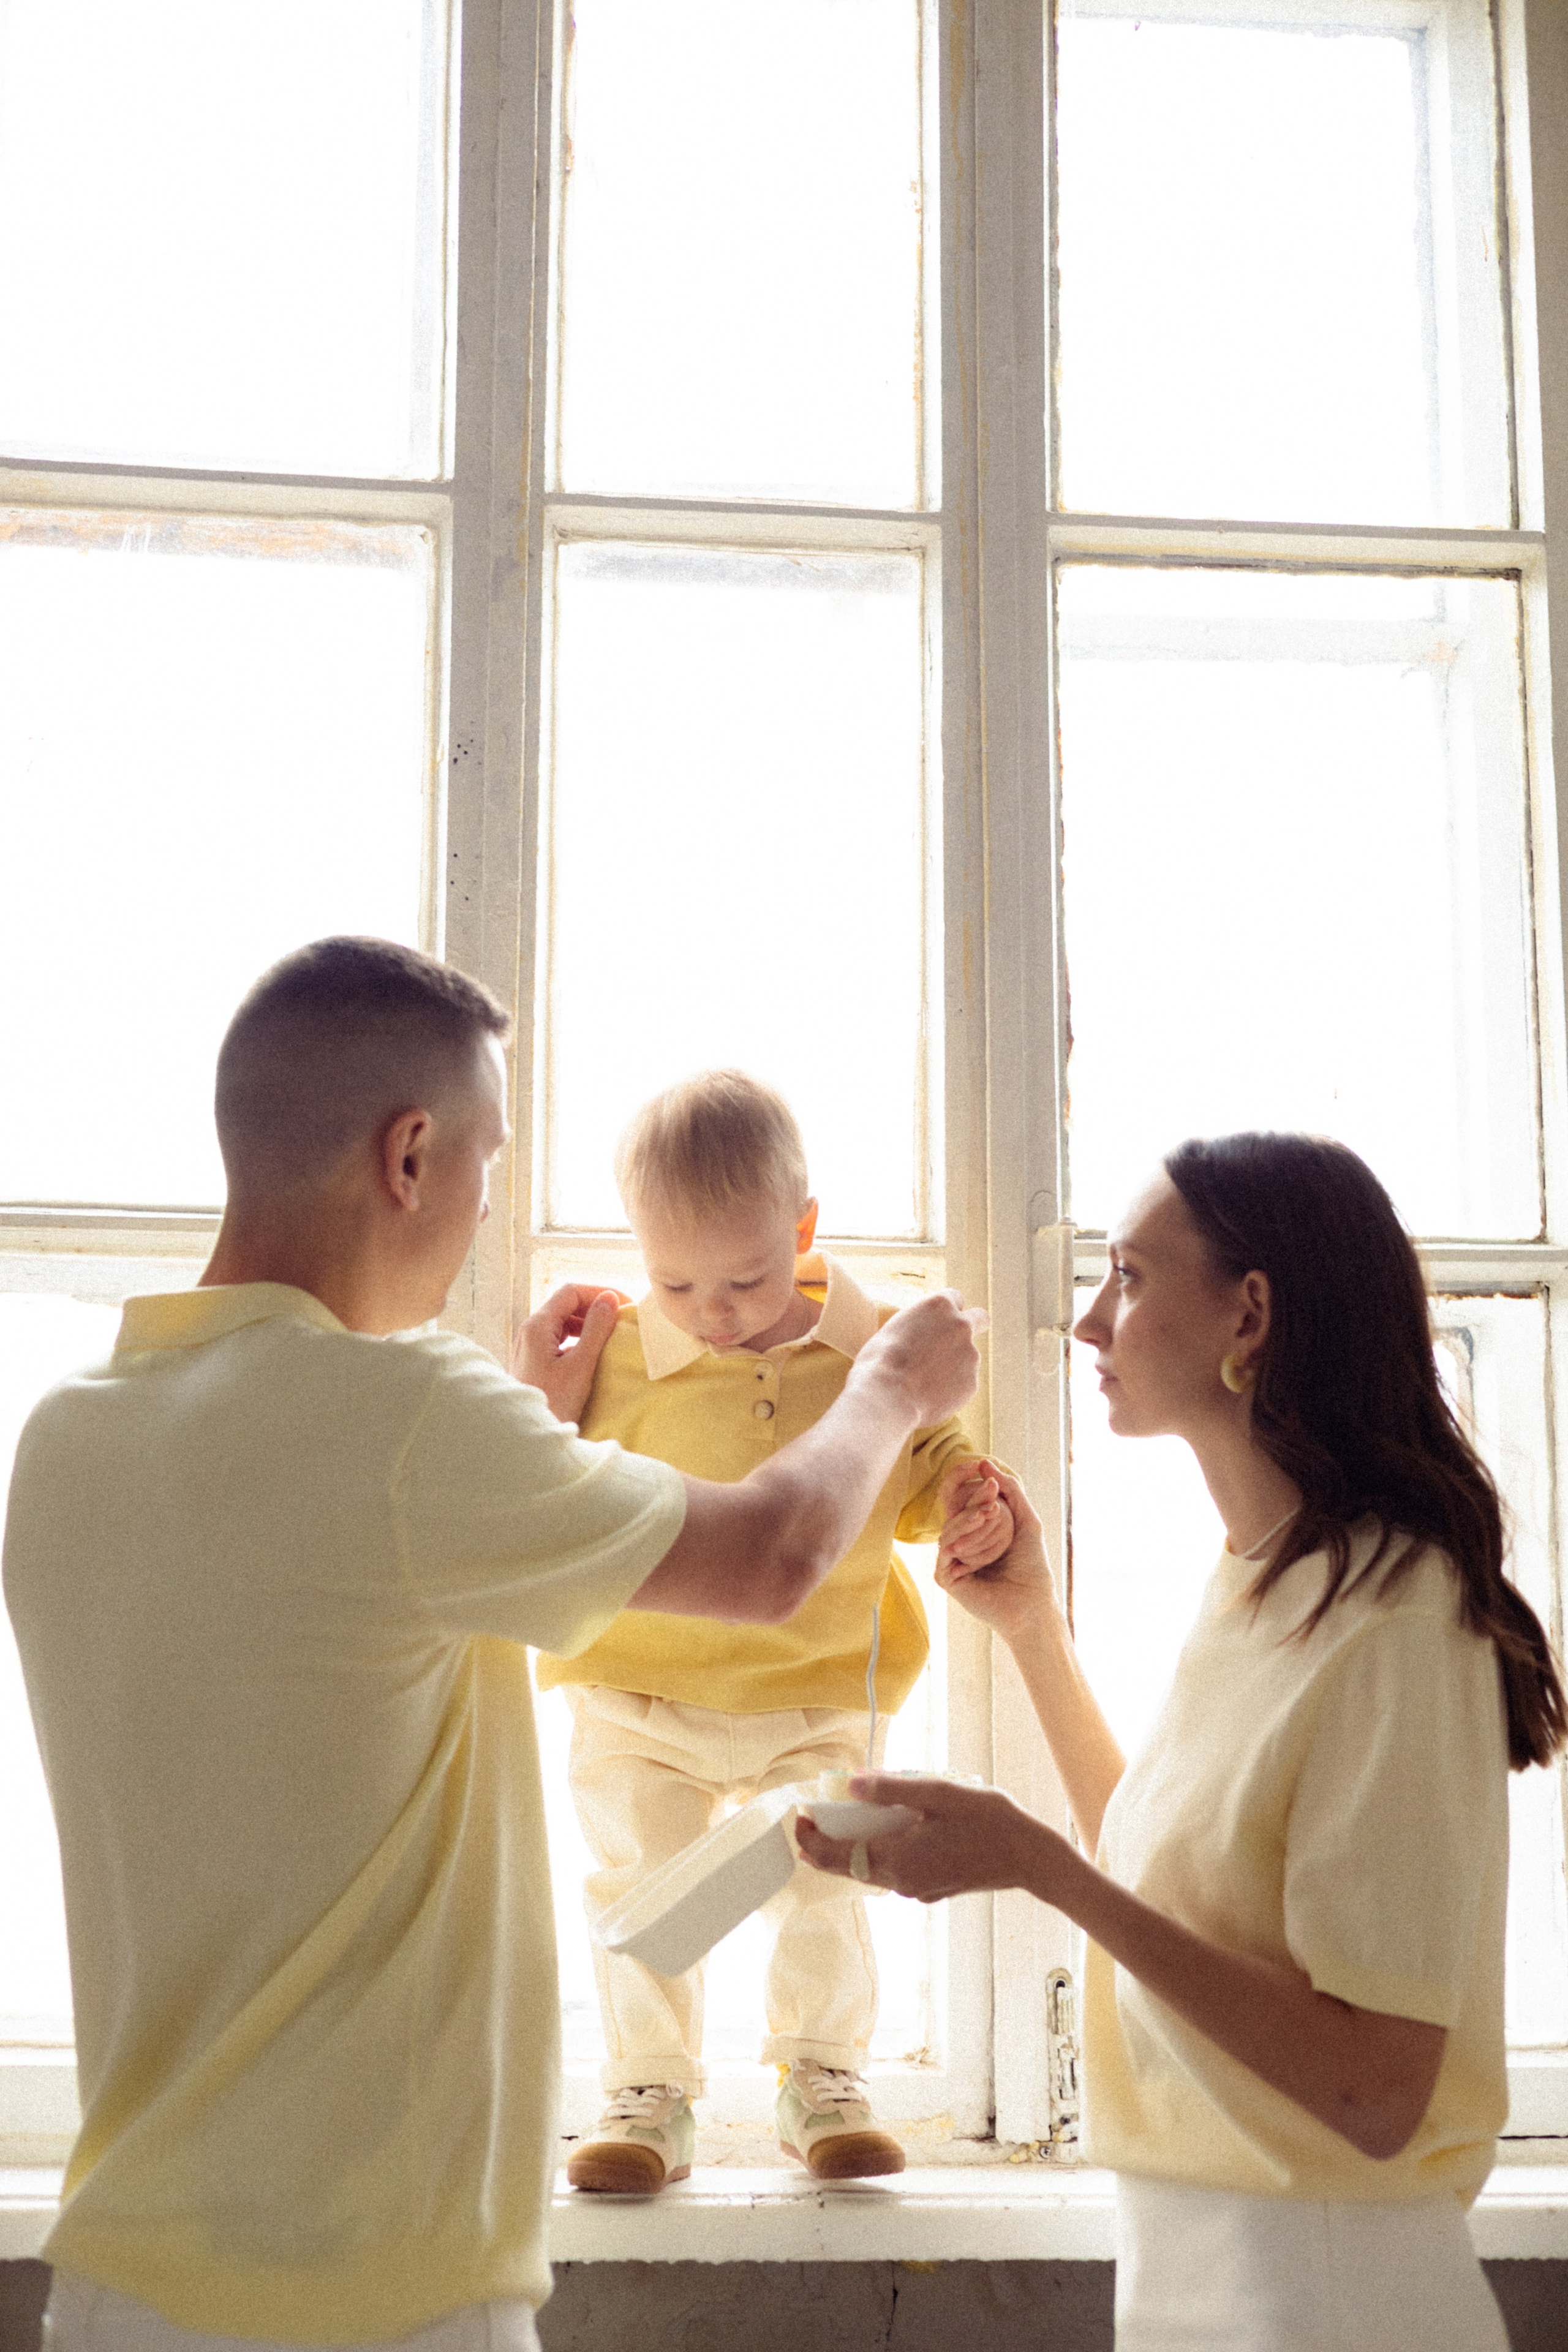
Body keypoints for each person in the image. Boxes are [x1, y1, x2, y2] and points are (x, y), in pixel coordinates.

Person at [2, 938, 986, 2352]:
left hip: (118, 2292)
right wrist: (890, 1379)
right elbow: (773, 1557)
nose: (480, 1211)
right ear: (408, 1155)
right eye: (483, 1164)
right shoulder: (405, 1423)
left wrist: (532, 1412)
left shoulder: (64, 1445)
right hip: (376, 2298)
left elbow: (324, 1662)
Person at [799, 1132, 1567, 2352]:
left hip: (1327, 2293)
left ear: (1246, 1316)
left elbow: (1372, 2092)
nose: (1088, 1323)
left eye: (1129, 1277)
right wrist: (1031, 1630)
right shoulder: (1271, 1578)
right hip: (1203, 2275)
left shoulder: (1396, 1620)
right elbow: (1173, 1888)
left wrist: (1035, 1867)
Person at [533, 1071, 1012, 2192]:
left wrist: (964, 1505)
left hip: (818, 1691)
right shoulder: (613, 1356)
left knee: (823, 1885)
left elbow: (924, 1466)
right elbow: (546, 1486)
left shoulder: (878, 1348)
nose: (713, 1309)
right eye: (675, 1281)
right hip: (636, 1688)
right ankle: (648, 2091)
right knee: (642, 1886)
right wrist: (540, 1399)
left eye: (746, 1277)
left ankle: (822, 2075)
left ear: (803, 1230)